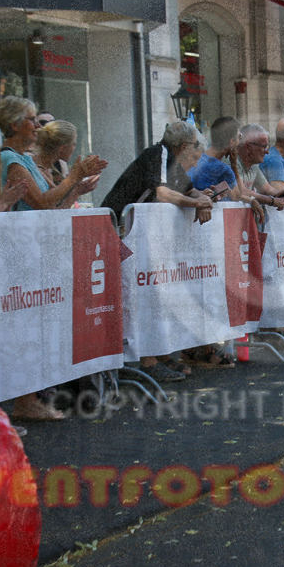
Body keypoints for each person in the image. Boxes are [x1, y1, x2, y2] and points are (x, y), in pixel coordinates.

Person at [101, 121, 218, 381]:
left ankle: (162, 355)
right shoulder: (159, 154)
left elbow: (189, 189)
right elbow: (162, 193)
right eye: (196, 152)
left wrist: (203, 200)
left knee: (160, 295)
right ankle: (147, 360)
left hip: (141, 237)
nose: (196, 159)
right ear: (185, 146)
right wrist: (196, 203)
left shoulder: (172, 160)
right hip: (120, 231)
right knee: (143, 295)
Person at [0, 96, 105, 211]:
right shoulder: (10, 159)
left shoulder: (24, 158)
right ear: (15, 125)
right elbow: (42, 203)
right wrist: (75, 176)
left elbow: (54, 209)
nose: (38, 126)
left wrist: (78, 188)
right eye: (32, 120)